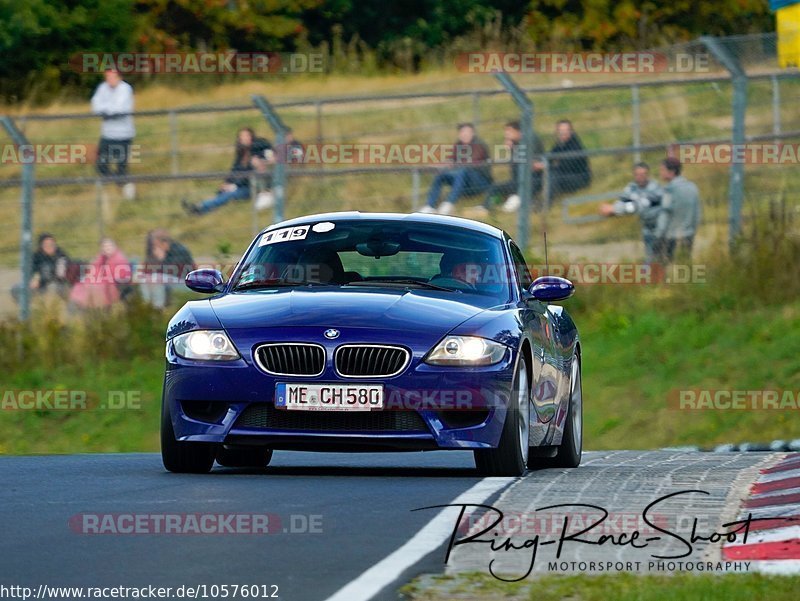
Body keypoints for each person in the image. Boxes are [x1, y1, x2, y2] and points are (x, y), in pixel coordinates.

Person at [183, 127, 275, 215]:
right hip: (238, 185)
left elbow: (251, 173)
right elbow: (234, 170)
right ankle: (200, 208)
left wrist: (235, 186)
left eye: (247, 136)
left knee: (229, 195)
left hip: (248, 187)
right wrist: (227, 182)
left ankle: (200, 207)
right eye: (242, 136)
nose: (244, 139)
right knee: (220, 193)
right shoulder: (241, 153)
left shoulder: (257, 153)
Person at [471, 120, 545, 216]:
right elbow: (516, 165)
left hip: (532, 180)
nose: (506, 134)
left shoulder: (531, 139)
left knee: (510, 207)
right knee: (495, 187)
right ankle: (485, 207)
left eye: (509, 131)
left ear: (517, 131)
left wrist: (513, 149)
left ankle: (524, 200)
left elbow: (530, 163)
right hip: (517, 181)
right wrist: (511, 149)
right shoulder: (515, 142)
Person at [420, 123, 492, 215]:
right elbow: (451, 160)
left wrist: (453, 165)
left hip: (480, 181)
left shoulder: (479, 145)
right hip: (462, 179)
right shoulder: (458, 145)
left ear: (473, 133)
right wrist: (438, 165)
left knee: (463, 170)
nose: (465, 134)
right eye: (462, 132)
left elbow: (471, 162)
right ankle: (430, 206)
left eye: (467, 132)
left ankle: (449, 204)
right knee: (441, 174)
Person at [599, 162, 664, 263]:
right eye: (637, 175)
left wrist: (614, 209)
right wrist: (612, 208)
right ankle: (651, 271)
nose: (640, 177)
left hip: (661, 226)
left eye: (643, 174)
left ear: (648, 175)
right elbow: (623, 201)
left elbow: (641, 205)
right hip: (647, 226)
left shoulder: (655, 188)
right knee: (650, 254)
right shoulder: (632, 187)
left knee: (662, 254)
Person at [91, 68, 136, 200]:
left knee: (121, 165)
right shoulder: (102, 88)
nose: (109, 80)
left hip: (123, 135)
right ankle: (120, 183)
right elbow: (95, 106)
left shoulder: (125, 89)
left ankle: (127, 190)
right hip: (107, 134)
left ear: (119, 77)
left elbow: (120, 109)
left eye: (112, 77)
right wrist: (107, 110)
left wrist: (105, 110)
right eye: (107, 77)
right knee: (100, 163)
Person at [654, 157, 701, 262]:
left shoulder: (669, 190)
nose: (660, 173)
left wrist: (658, 237)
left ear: (671, 172)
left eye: (662, 170)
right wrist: (692, 230)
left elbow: (665, 214)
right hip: (688, 234)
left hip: (671, 237)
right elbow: (697, 213)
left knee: (669, 268)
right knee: (684, 265)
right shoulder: (692, 187)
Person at [536, 119, 591, 201]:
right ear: (557, 132)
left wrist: (546, 166)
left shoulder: (574, 145)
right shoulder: (560, 144)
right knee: (540, 173)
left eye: (567, 130)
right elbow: (551, 156)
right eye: (561, 131)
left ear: (571, 131)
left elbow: (566, 166)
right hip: (566, 175)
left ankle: (546, 203)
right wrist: (540, 163)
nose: (564, 133)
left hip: (579, 178)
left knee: (553, 174)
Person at [68, 238, 131, 310]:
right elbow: (94, 268)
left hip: (116, 286)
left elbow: (119, 277)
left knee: (91, 290)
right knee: (81, 286)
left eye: (110, 245)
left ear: (114, 246)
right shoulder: (103, 257)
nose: (108, 248)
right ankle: (79, 306)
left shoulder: (119, 259)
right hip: (103, 283)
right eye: (105, 247)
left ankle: (86, 308)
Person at [140, 229, 196, 309]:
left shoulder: (179, 250)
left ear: (164, 242)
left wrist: (161, 260)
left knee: (157, 278)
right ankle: (147, 306)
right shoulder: (154, 251)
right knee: (145, 279)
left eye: (156, 244)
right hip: (168, 281)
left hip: (186, 283)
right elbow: (147, 271)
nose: (154, 247)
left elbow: (173, 272)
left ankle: (158, 308)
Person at [11, 233, 74, 304]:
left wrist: (41, 279)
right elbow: (30, 271)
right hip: (41, 285)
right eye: (46, 245)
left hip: (58, 284)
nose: (50, 246)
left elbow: (60, 275)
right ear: (41, 246)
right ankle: (25, 310)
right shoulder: (37, 256)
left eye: (52, 244)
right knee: (16, 288)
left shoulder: (61, 256)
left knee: (54, 287)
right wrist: (32, 279)